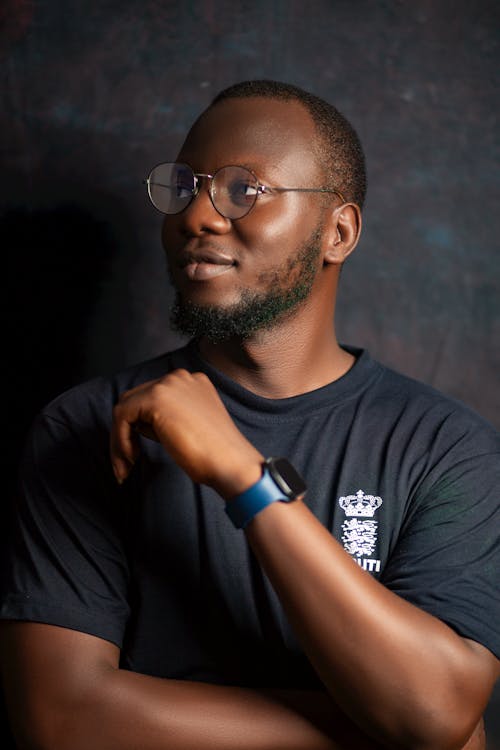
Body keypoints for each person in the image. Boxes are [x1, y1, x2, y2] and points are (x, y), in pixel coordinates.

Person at [1, 79, 498, 750]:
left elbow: (434, 709)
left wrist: (245, 476)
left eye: (243, 190)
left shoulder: (446, 447)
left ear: (338, 232)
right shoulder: (88, 427)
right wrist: (385, 731)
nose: (197, 216)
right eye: (185, 187)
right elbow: (63, 720)